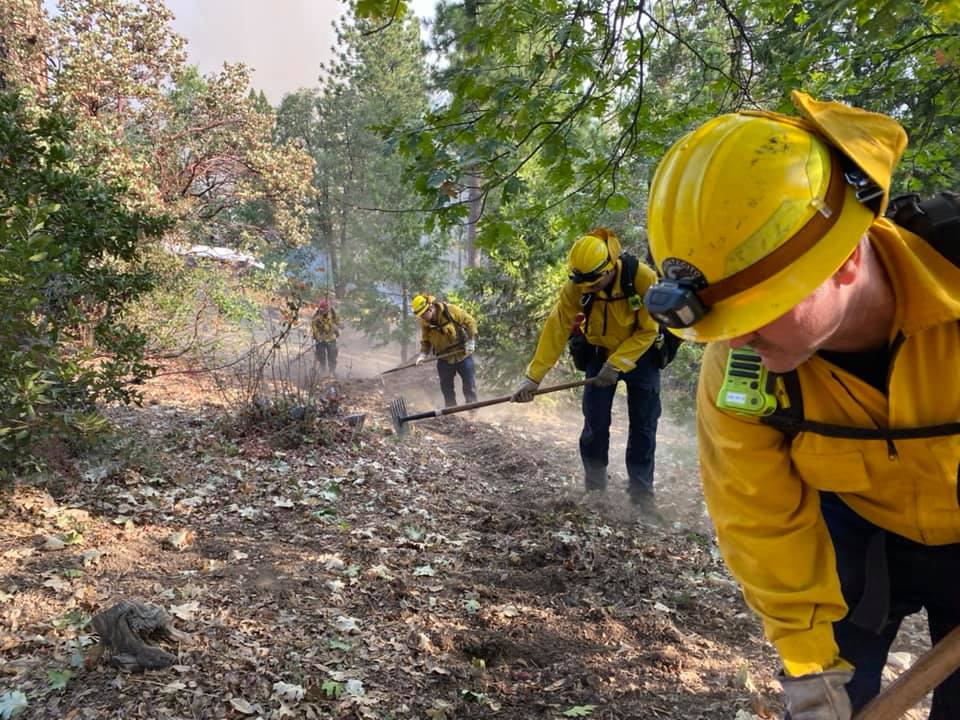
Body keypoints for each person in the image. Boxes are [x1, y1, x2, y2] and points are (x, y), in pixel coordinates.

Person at [643, 90, 960, 719]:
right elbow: (759, 519)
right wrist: (812, 669)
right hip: (861, 537)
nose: (736, 340)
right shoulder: (742, 369)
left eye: (757, 312)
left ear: (843, 261)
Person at [511, 228, 663, 515]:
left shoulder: (642, 278)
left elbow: (648, 330)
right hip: (598, 352)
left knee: (643, 426)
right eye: (583, 284)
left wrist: (616, 365)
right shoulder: (577, 287)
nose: (588, 289)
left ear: (609, 268)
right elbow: (556, 329)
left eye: (594, 283)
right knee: (594, 423)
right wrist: (533, 377)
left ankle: (641, 495)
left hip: (642, 356)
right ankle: (595, 489)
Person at [411, 293, 479, 407]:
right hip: (444, 358)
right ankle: (451, 412)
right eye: (420, 315)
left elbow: (471, 322)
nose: (422, 317)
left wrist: (471, 341)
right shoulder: (425, 323)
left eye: (423, 314)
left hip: (462, 354)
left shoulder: (451, 311)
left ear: (430, 308)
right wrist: (422, 355)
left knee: (469, 386)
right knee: (446, 388)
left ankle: (472, 412)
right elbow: (426, 341)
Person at [310, 297, 340, 377]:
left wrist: (338, 326)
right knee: (320, 355)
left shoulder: (332, 313)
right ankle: (322, 370)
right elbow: (315, 330)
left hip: (331, 338)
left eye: (324, 309)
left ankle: (332, 371)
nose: (322, 311)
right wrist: (319, 336)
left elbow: (338, 322)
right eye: (321, 310)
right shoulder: (316, 318)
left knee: (332, 355)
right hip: (321, 340)